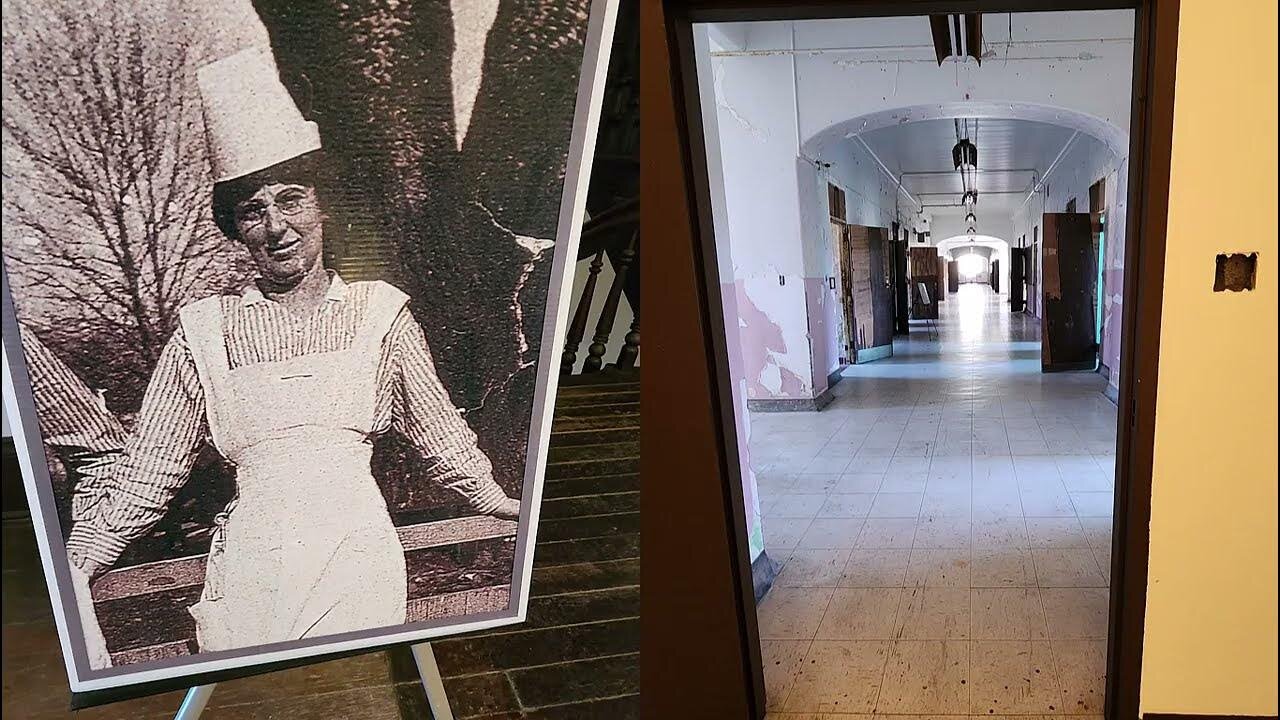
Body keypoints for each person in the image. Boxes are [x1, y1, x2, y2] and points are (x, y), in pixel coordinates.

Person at [65, 47, 520, 669]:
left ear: (322, 205)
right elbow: (152, 466)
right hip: (253, 566)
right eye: (253, 211)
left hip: (357, 555)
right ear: (236, 229)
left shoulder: (378, 314)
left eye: (291, 199)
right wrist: (89, 545)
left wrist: (500, 502)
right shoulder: (205, 331)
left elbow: (439, 436)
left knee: (357, 689)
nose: (276, 225)